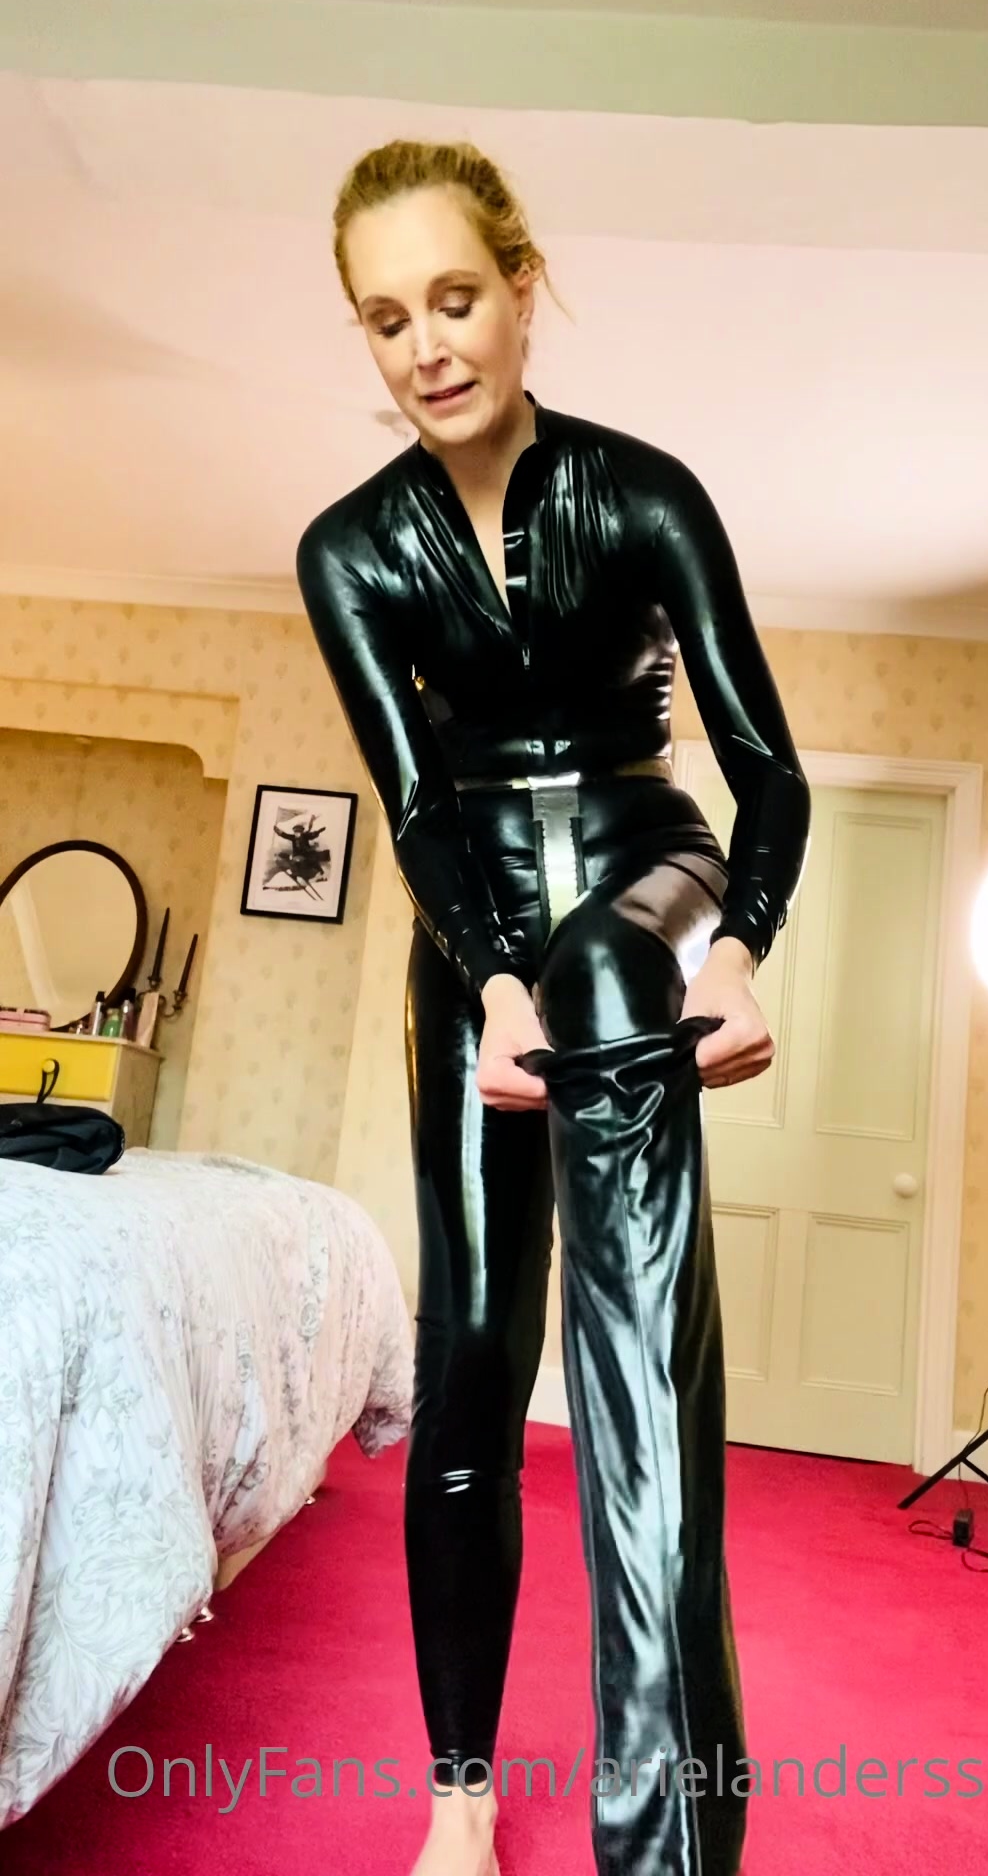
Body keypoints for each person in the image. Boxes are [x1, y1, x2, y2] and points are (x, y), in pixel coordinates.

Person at [296, 139, 811, 1876]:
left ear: (523, 288)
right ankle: (460, 1796)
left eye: (455, 298)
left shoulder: (646, 493)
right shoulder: (349, 549)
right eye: (388, 319)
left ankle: (671, 1818)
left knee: (609, 966)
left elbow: (764, 769)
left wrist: (738, 949)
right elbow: (415, 806)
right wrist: (494, 980)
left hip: (651, 876)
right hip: (478, 937)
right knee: (468, 1363)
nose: (428, 346)